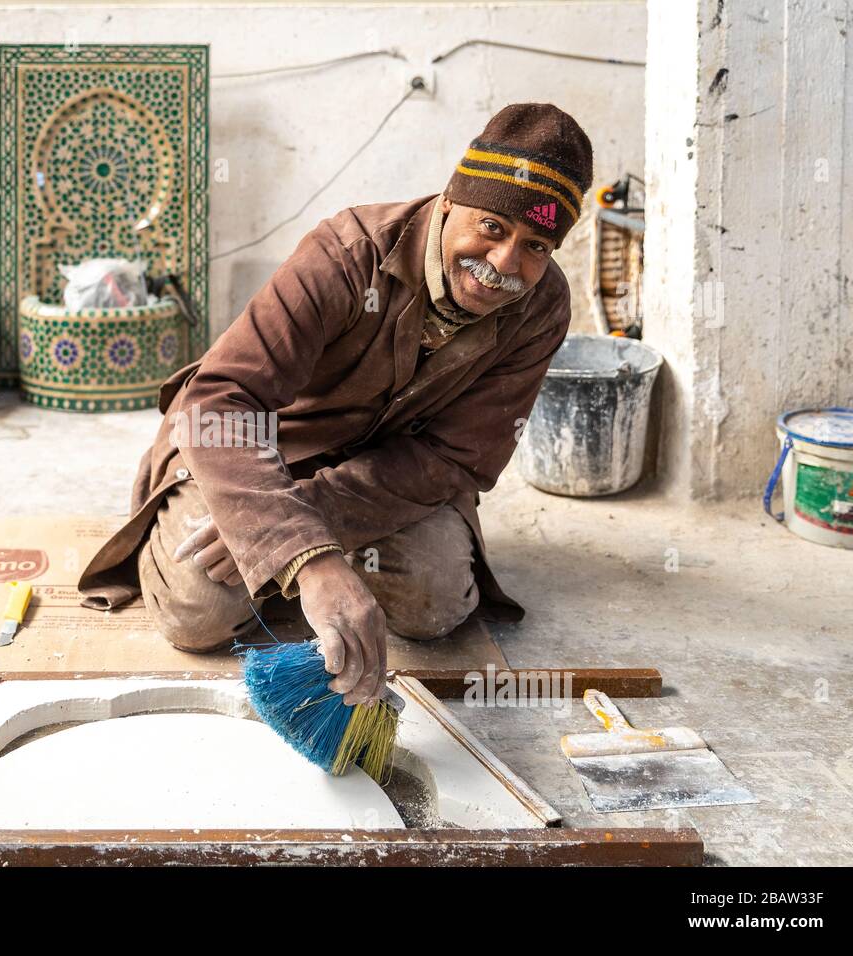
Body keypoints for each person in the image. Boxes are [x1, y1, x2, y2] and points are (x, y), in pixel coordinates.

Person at [79, 103, 593, 707]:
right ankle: (273, 560)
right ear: (449, 203)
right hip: (259, 451)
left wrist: (307, 524)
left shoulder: (542, 306)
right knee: (199, 612)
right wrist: (307, 554)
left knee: (434, 603)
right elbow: (221, 399)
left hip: (389, 479)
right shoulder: (349, 252)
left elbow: (458, 457)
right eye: (492, 228)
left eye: (536, 245)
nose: (504, 265)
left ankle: (307, 570)